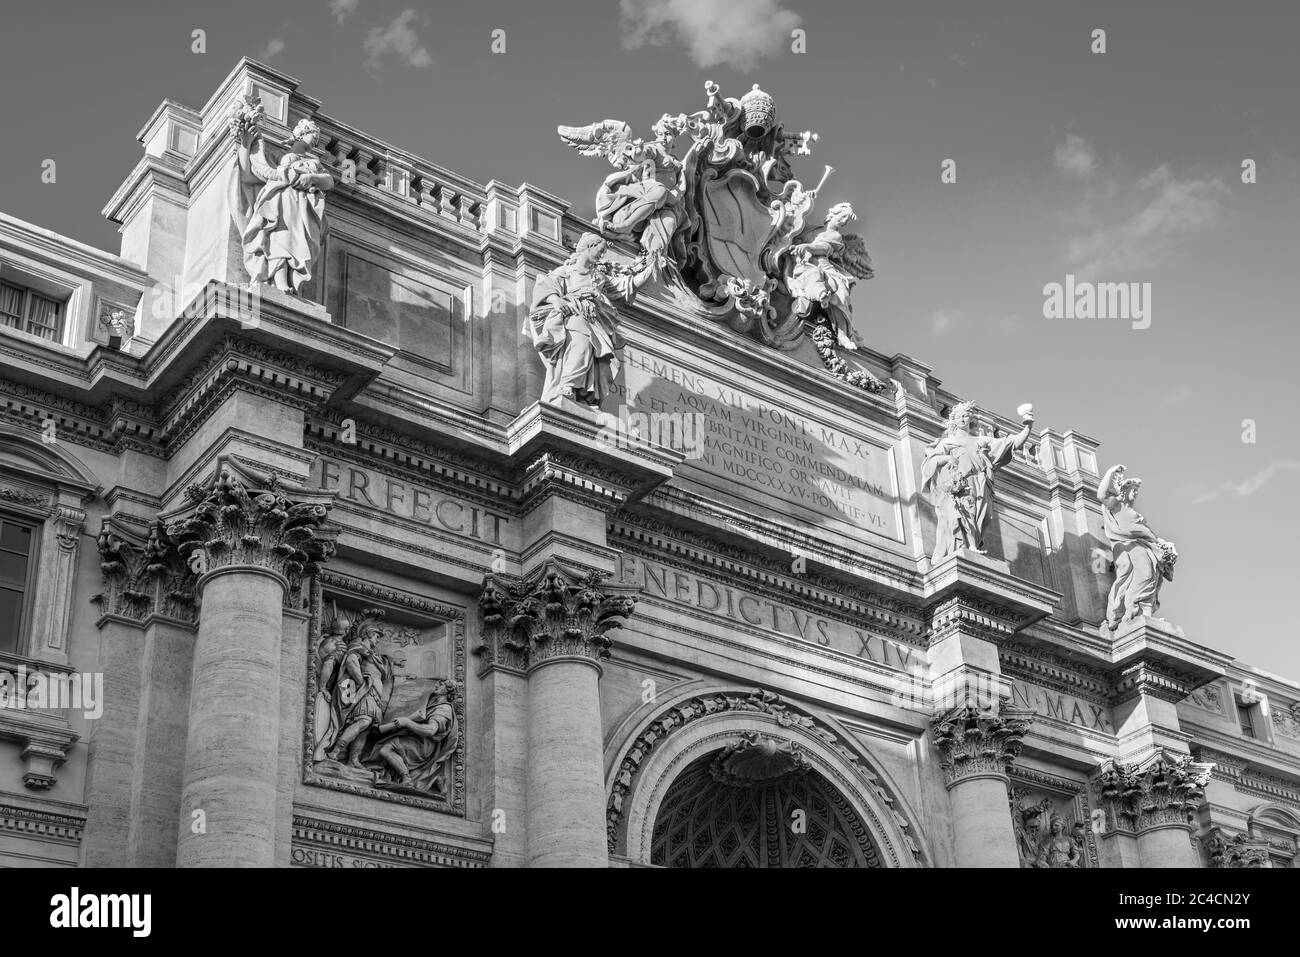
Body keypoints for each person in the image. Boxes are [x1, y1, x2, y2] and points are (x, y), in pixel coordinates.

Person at [525, 232, 638, 406]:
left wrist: (652, 269)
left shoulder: (599, 277)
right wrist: (556, 300)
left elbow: (624, 288)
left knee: (599, 357)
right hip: (574, 313)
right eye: (600, 251)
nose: (602, 256)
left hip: (593, 319)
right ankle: (568, 385)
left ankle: (583, 395)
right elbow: (545, 286)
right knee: (582, 346)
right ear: (589, 247)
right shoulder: (567, 271)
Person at [921, 401, 1035, 561]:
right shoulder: (946, 442)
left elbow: (1012, 443)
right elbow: (930, 462)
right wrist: (948, 457)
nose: (963, 419)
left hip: (980, 484)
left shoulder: (981, 441)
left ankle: (972, 544)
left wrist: (1028, 426)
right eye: (960, 416)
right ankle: (962, 547)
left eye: (966, 416)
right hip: (960, 484)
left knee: (983, 515)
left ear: (971, 419)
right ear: (954, 420)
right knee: (963, 513)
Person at [233, 117, 334, 295]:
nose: (315, 141)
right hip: (280, 201)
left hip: (303, 207)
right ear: (302, 133)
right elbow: (250, 172)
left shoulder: (315, 163)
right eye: (313, 135)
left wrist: (310, 178)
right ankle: (279, 280)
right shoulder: (279, 156)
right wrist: (246, 144)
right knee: (280, 237)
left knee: (298, 242)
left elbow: (329, 182)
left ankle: (292, 279)